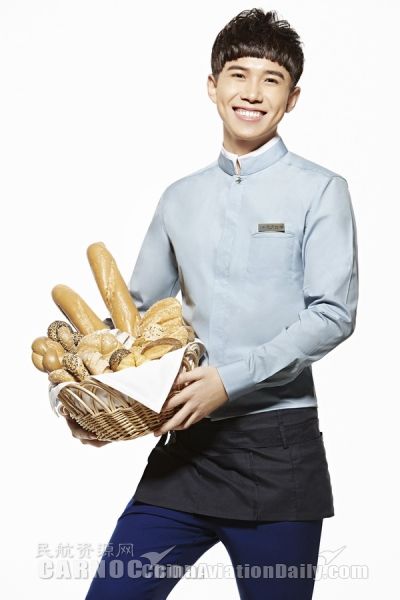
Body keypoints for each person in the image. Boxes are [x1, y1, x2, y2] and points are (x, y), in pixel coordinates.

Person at [77, 8, 358, 599]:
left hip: (278, 453)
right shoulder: (179, 198)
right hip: (187, 447)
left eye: (271, 79)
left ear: (292, 98)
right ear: (213, 86)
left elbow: (333, 315)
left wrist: (228, 381)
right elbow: (135, 314)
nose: (252, 92)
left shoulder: (321, 191)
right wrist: (99, 394)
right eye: (238, 74)